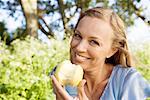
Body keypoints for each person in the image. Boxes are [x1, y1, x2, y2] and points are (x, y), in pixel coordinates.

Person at [51, 7, 150, 100]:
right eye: (78, 36)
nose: (79, 48)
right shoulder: (62, 77)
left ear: (113, 50)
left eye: (94, 42)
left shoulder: (129, 82)